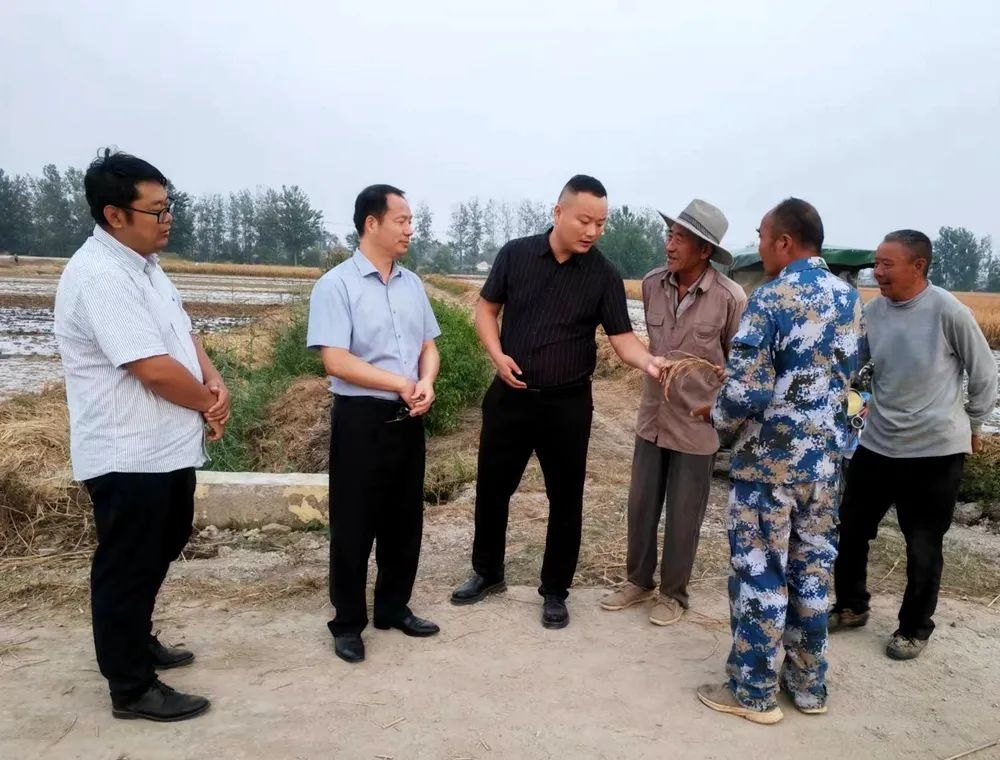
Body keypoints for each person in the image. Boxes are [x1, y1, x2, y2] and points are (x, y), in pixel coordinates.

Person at [54, 149, 230, 722]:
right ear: (115, 215)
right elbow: (151, 367)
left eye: (168, 206)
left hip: (166, 448)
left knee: (162, 544)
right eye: (156, 210)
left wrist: (213, 380)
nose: (167, 218)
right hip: (127, 453)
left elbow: (183, 334)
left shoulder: (146, 266)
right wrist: (207, 403)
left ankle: (134, 637)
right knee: (127, 565)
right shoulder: (100, 276)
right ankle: (130, 687)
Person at [450, 175, 668, 629]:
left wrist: (648, 362)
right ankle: (488, 572)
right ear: (558, 213)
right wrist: (497, 355)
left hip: (568, 404)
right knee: (492, 489)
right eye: (584, 220)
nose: (592, 231)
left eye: (600, 223)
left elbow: (622, 339)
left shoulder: (603, 274)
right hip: (510, 396)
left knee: (565, 499)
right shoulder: (516, 255)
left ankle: (555, 590)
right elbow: (486, 309)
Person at [694, 198, 863, 724]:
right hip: (825, 470)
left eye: (763, 236)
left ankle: (753, 692)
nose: (760, 245)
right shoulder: (849, 298)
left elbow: (748, 390)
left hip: (769, 470)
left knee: (760, 576)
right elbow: (858, 382)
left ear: (784, 242)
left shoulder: (770, 298)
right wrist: (838, 441)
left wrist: (715, 416)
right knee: (812, 574)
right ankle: (809, 688)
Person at [831, 230, 997, 660]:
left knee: (923, 544)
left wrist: (974, 423)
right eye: (876, 264)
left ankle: (914, 628)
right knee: (851, 527)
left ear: (918, 266)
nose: (877, 272)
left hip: (934, 451)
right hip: (878, 442)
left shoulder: (948, 311)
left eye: (887, 264)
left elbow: (984, 372)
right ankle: (851, 605)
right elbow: (854, 362)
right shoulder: (874, 312)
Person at [307, 184, 441, 665]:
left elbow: (428, 345)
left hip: (408, 415)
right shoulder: (337, 285)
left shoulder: (412, 285)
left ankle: (393, 606)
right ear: (372, 223)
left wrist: (425, 382)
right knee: (354, 522)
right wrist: (400, 383)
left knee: (404, 519)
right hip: (360, 418)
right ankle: (347, 622)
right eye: (402, 220)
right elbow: (336, 360)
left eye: (411, 221)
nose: (410, 229)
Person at [600, 199, 746, 625]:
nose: (670, 244)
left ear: (705, 250)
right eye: (670, 234)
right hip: (652, 417)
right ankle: (638, 582)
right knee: (641, 506)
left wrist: (721, 400)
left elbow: (738, 364)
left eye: (681, 238)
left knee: (684, 516)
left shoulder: (730, 298)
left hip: (697, 425)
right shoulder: (651, 284)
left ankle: (674, 594)